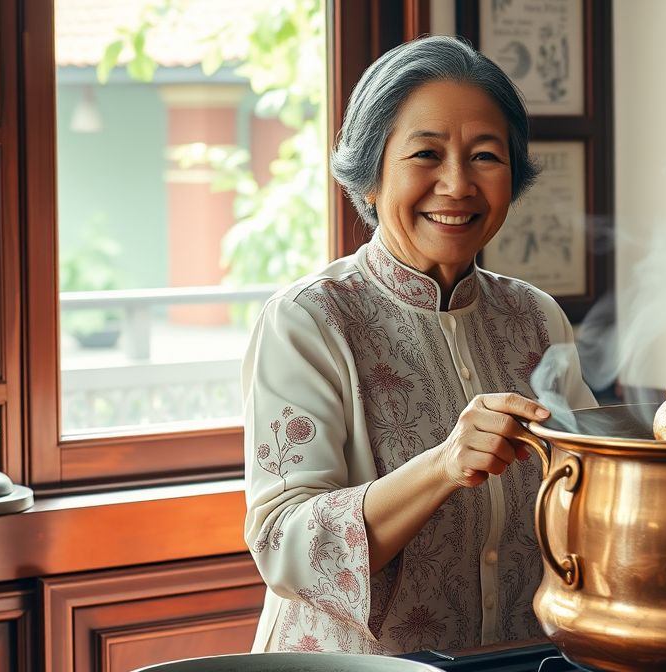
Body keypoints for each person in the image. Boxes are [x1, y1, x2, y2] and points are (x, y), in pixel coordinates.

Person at [241, 35, 596, 654]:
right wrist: (442, 465)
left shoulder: (537, 319)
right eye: (426, 154)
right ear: (370, 177)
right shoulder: (309, 321)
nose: (457, 185)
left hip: (523, 661)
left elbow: (590, 493)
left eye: (486, 156)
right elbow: (283, 545)